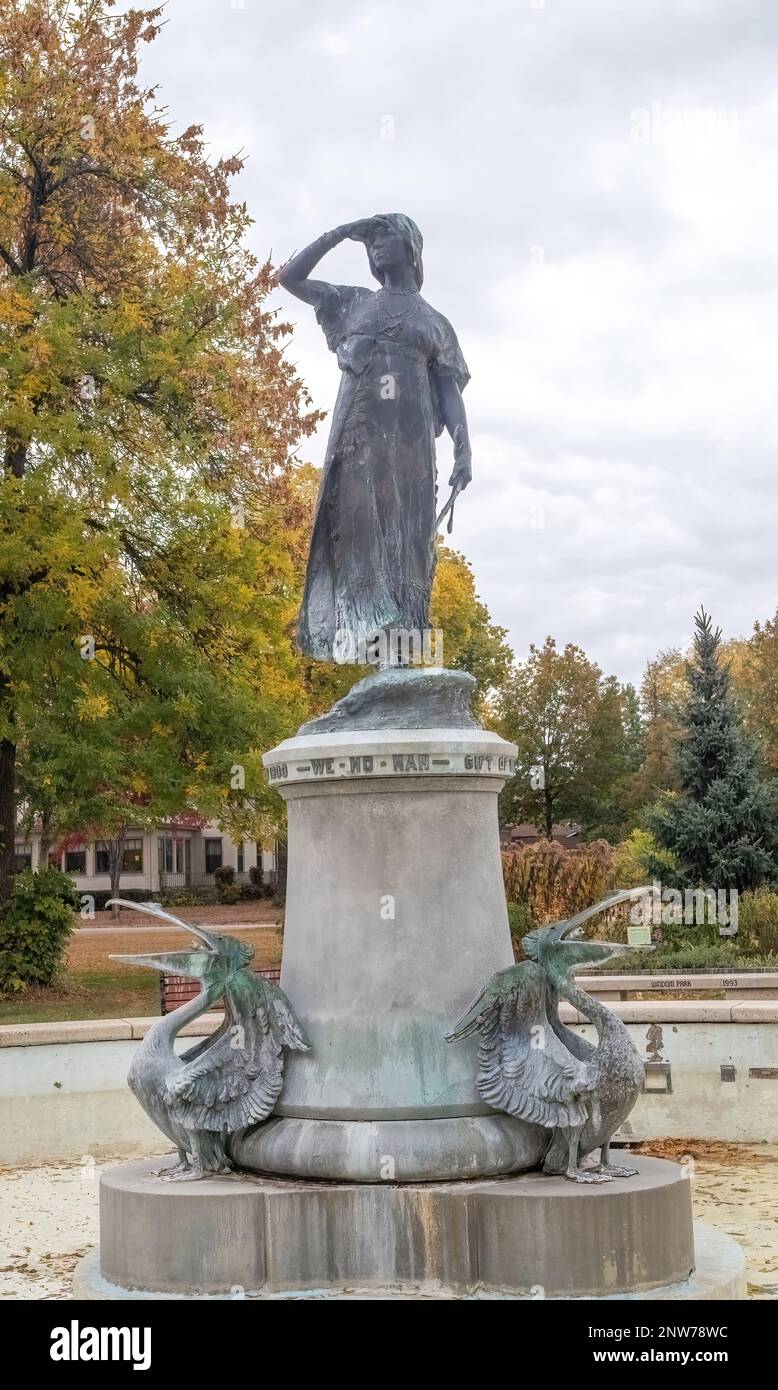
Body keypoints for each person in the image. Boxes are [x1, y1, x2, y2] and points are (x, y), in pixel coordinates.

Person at [277, 214, 472, 663]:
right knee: (359, 531)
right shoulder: (354, 303)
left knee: (409, 539)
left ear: (411, 248)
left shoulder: (434, 322)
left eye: (386, 238)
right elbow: (290, 278)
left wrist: (464, 450)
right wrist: (338, 234)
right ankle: (375, 639)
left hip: (411, 444)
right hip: (360, 436)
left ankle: (399, 655)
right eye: (371, 241)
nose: (376, 246)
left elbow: (449, 393)